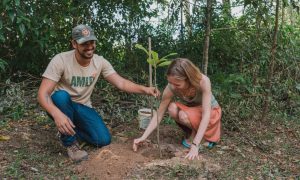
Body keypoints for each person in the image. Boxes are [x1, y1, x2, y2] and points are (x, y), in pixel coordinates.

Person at [37, 24, 159, 162]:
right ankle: (70, 144)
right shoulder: (61, 60)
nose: (90, 46)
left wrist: (145, 89)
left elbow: (121, 83)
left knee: (103, 139)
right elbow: (43, 94)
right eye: (84, 43)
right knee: (60, 96)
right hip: (61, 105)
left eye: (92, 42)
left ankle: (68, 130)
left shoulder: (100, 62)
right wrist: (56, 114)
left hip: (82, 107)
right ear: (74, 44)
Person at [133, 58, 221, 160]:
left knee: (183, 115)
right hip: (193, 113)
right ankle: (194, 133)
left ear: (188, 79)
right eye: (170, 82)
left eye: (177, 84)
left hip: (211, 113)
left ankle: (200, 138)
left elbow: (206, 114)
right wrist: (143, 137)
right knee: (172, 108)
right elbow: (159, 113)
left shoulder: (203, 81)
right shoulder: (171, 87)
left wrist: (195, 145)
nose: (173, 86)